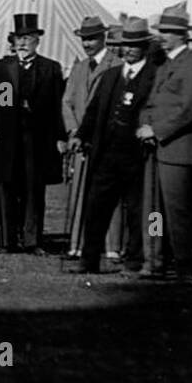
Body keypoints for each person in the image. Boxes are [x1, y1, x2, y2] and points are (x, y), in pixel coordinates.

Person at [72, 18, 157, 274]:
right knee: (97, 208)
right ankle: (89, 261)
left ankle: (133, 260)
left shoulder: (153, 76)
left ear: (144, 46)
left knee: (136, 211)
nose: (128, 50)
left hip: (136, 156)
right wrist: (81, 135)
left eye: (134, 45)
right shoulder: (110, 76)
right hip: (106, 154)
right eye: (124, 45)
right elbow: (94, 110)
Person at [0, 13, 66, 253]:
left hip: (36, 139)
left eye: (27, 38)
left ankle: (32, 240)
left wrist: (60, 137)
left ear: (37, 41)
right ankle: (8, 240)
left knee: (33, 189)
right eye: (18, 38)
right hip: (8, 138)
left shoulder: (50, 68)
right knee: (6, 187)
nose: (22, 43)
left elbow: (56, 107)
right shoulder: (3, 69)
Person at [136, 2, 192, 278]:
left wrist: (156, 130)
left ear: (180, 35)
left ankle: (185, 264)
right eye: (161, 31)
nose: (161, 36)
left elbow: (187, 108)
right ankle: (156, 259)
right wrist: (145, 125)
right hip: (157, 148)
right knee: (155, 211)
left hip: (177, 150)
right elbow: (152, 101)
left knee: (178, 212)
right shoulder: (166, 64)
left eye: (167, 32)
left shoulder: (191, 66)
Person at [61, 16, 122, 258]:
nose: (87, 44)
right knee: (79, 192)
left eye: (92, 38)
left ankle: (112, 246)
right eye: (84, 39)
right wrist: (74, 130)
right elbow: (66, 102)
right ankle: (77, 244)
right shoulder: (78, 68)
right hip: (81, 141)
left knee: (109, 193)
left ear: (103, 38)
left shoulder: (116, 65)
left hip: (107, 141)